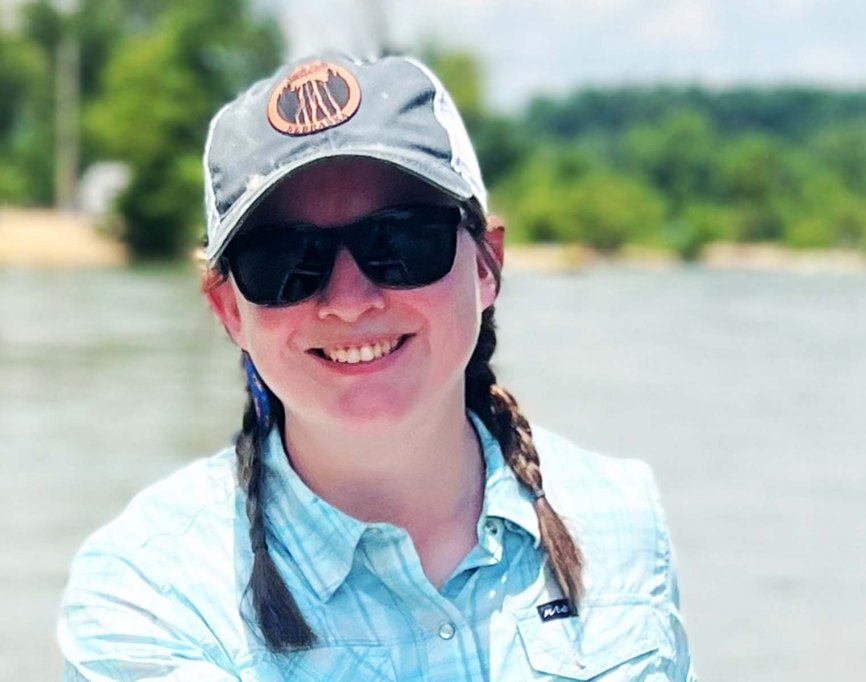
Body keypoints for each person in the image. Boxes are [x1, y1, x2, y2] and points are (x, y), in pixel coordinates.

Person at [58, 52, 696, 681]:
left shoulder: (622, 519)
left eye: (399, 242)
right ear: (228, 310)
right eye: (285, 261)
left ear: (485, 264)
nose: (348, 301)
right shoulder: (149, 594)